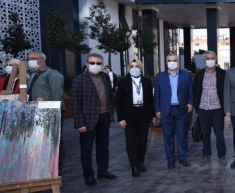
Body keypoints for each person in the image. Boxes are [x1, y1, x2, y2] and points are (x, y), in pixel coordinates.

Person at [71, 53, 116, 186]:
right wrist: (79, 123)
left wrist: (111, 114)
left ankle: (103, 170)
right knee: (86, 149)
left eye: (98, 63)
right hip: (87, 119)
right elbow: (75, 103)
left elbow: (109, 95)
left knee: (103, 146)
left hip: (104, 116)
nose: (95, 65)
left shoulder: (105, 77)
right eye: (92, 63)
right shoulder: (79, 79)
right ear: (87, 64)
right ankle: (88, 175)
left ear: (102, 65)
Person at [26, 51, 66, 173]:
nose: (30, 61)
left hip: (50, 112)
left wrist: (54, 112)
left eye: (33, 58)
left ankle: (56, 167)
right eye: (29, 59)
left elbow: (57, 95)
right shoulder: (32, 75)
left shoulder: (52, 74)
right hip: (35, 112)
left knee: (54, 140)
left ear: (42, 60)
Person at [116, 60, 156, 177]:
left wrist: (153, 115)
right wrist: (120, 118)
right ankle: (133, 165)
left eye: (137, 66)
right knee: (131, 140)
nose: (134, 68)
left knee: (142, 139)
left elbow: (150, 100)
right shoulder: (123, 82)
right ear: (129, 68)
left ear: (140, 68)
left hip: (143, 112)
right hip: (130, 114)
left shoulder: (147, 81)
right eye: (132, 66)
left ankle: (140, 162)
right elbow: (119, 101)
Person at [154, 52, 194, 169]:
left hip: (181, 109)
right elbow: (157, 95)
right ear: (166, 62)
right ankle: (170, 159)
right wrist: (157, 110)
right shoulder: (160, 77)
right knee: (168, 135)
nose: (172, 63)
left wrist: (190, 103)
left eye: (174, 60)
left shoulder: (186, 75)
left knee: (182, 134)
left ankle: (182, 157)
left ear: (178, 62)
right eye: (169, 61)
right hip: (166, 110)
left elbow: (191, 91)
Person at [193, 51, 227, 166]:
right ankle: (206, 155)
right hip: (203, 108)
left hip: (217, 109)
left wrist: (225, 109)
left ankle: (222, 156)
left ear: (216, 59)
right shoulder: (199, 74)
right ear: (204, 60)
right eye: (208, 58)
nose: (210, 60)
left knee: (219, 134)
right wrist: (196, 108)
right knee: (205, 134)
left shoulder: (222, 73)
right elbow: (196, 91)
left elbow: (226, 91)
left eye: (212, 58)